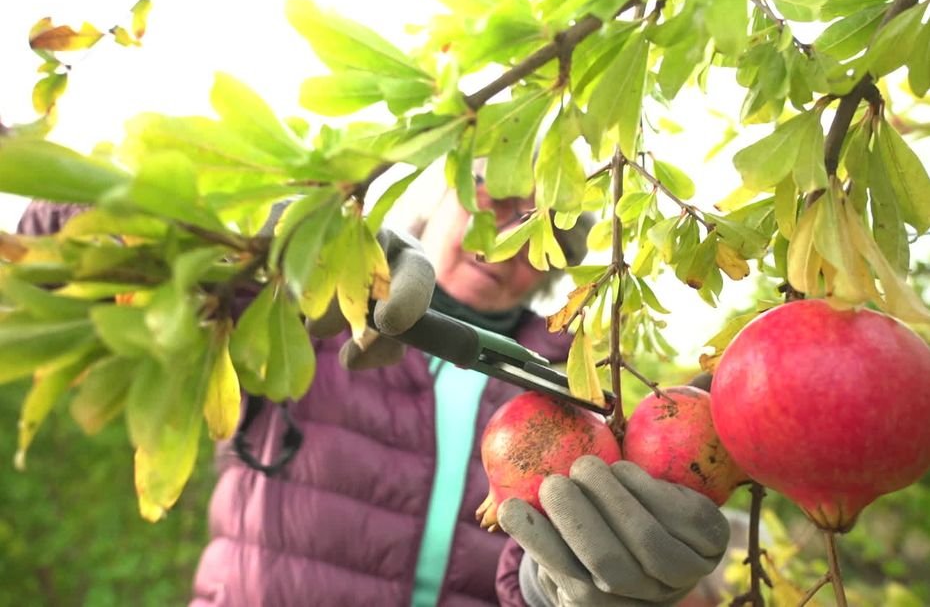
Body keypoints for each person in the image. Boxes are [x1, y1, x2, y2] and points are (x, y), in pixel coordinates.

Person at [16, 173, 731, 607]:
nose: (505, 239)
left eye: (540, 233)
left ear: (552, 272)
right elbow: (63, 247)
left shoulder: (584, 394)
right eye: (493, 203)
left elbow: (546, 567)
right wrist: (249, 245)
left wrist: (568, 591)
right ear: (439, 203)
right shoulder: (312, 320)